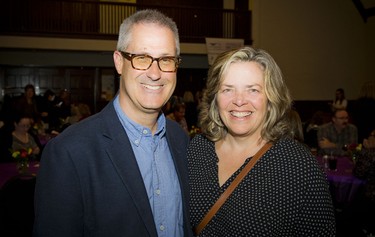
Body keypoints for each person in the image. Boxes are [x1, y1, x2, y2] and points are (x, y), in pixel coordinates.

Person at [34, 9, 193, 237]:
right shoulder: (69, 152)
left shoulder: (181, 140)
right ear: (119, 62)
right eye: (142, 58)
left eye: (166, 60)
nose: (155, 73)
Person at [188, 47, 335, 236]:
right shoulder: (197, 149)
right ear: (215, 98)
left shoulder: (298, 165)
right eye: (227, 89)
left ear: (271, 98)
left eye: (253, 90)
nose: (239, 101)